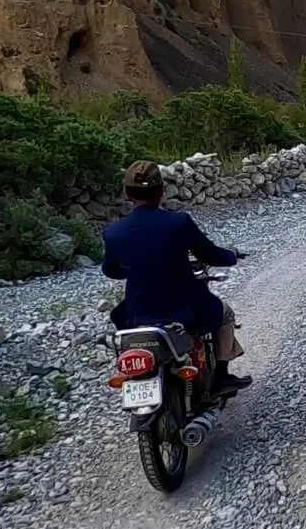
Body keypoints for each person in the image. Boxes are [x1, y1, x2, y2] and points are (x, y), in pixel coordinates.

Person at [101, 160, 252, 393]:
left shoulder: (113, 232)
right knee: (225, 313)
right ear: (162, 191)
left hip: (138, 312)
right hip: (182, 308)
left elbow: (111, 270)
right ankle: (222, 376)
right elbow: (209, 253)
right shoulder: (178, 222)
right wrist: (231, 256)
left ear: (128, 193)